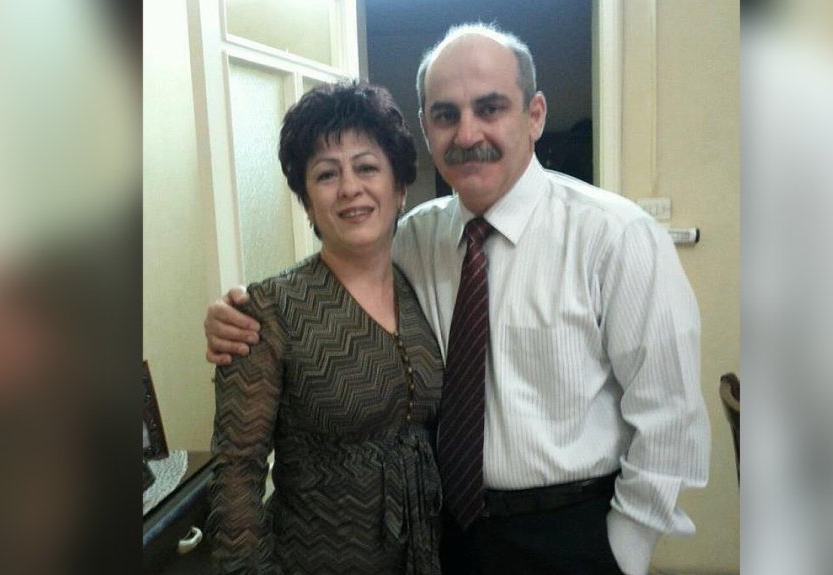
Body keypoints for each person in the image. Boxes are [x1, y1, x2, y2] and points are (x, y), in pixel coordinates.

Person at [206, 23, 710, 575]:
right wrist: (238, 313)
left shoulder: (615, 237)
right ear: (426, 128)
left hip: (569, 534)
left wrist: (622, 551)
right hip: (443, 536)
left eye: (490, 107)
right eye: (446, 114)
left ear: (534, 115)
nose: (468, 133)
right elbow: (335, 280)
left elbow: (670, 417)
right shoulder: (415, 239)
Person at [206, 82, 444, 574]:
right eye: (326, 174)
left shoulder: (419, 284)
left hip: (422, 557)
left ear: (399, 189)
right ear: (308, 203)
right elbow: (236, 477)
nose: (350, 188)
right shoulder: (269, 311)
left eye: (367, 167)